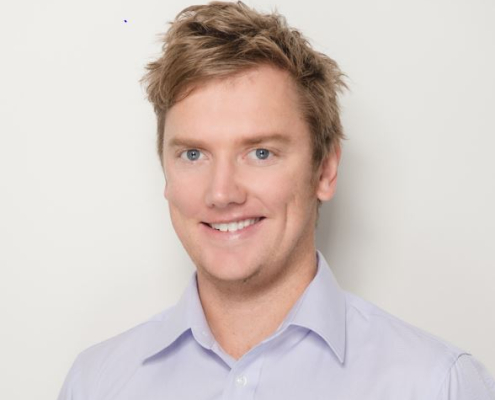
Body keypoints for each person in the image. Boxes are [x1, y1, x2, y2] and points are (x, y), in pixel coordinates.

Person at [57, 1, 495, 399]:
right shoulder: (96, 384)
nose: (221, 193)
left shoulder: (437, 384)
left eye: (261, 153)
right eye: (193, 154)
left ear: (324, 171)